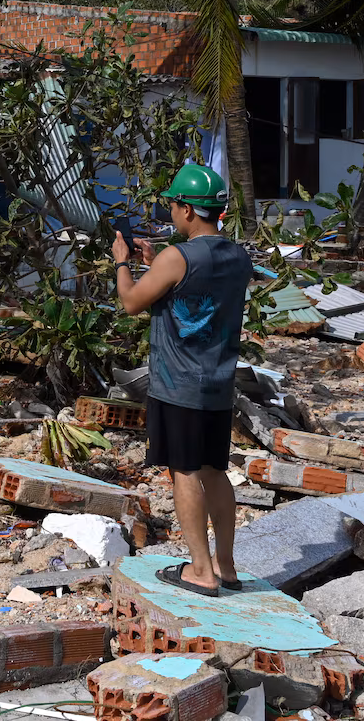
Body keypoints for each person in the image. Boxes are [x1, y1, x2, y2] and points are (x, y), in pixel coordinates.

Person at [111, 163, 253, 597]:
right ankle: (226, 566)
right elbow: (195, 290)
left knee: (184, 473)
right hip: (218, 383)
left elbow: (132, 301)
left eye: (173, 204)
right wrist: (158, 265)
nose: (171, 212)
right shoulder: (238, 256)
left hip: (179, 384)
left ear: (188, 210)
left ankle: (201, 571)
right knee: (215, 471)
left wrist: (123, 264)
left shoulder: (177, 257)